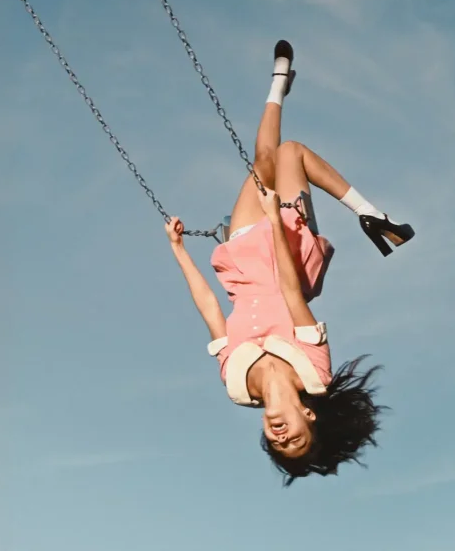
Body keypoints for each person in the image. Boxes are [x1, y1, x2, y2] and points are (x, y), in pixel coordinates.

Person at [164, 40, 414, 484]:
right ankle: (370, 214)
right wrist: (278, 219)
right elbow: (293, 294)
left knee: (263, 159)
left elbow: (210, 312)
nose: (283, 436)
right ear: (309, 419)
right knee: (291, 152)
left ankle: (280, 82)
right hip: (285, 255)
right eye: (295, 439)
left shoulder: (237, 386)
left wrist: (178, 250)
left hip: (242, 254)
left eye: (279, 445)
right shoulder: (313, 375)